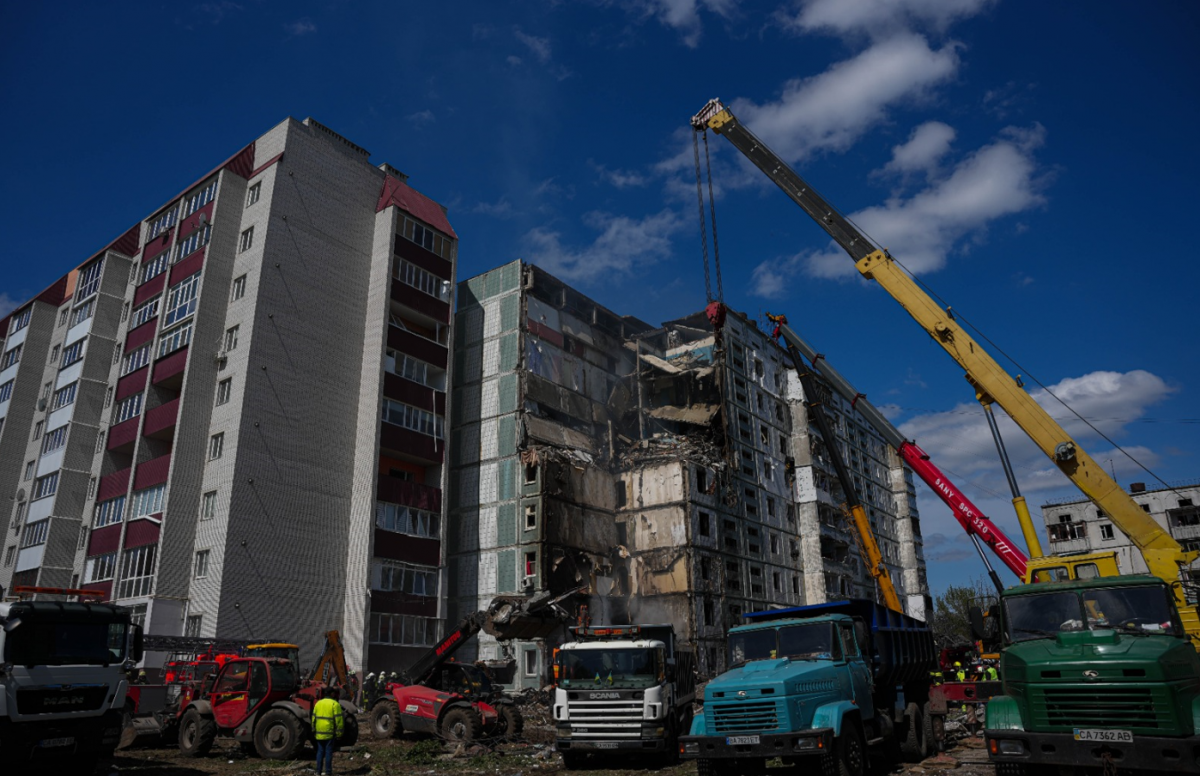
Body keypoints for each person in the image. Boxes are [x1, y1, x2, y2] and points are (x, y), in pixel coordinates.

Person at [311, 687, 344, 776]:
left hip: (319, 732)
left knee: (320, 751)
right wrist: (339, 733)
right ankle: (328, 772)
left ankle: (318, 771)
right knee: (328, 752)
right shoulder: (335, 704)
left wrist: (313, 729)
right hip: (329, 733)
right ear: (332, 694)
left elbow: (313, 717)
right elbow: (339, 720)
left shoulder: (318, 703)